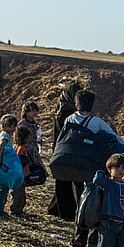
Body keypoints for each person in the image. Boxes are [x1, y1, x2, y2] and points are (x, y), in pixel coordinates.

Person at [65, 89, 124, 247]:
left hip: (73, 167)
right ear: (92, 105)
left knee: (80, 203)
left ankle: (79, 239)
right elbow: (114, 138)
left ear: (76, 103)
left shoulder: (69, 119)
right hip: (92, 168)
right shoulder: (96, 122)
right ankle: (93, 239)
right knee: (95, 204)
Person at [47, 81, 82, 220]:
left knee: (63, 181)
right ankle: (65, 211)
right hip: (66, 149)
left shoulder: (62, 106)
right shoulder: (68, 111)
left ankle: (57, 208)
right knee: (66, 182)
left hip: (60, 148)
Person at [0, 114, 18, 218]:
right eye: (9, 126)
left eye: (14, 126)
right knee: (2, 187)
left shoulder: (7, 135)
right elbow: (2, 146)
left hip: (5, 163)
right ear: (3, 126)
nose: (12, 129)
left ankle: (0, 209)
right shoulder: (5, 136)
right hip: (3, 164)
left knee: (4, 187)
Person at [18, 100, 45, 171]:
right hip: (25, 149)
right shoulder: (23, 123)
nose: (34, 112)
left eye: (36, 110)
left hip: (34, 149)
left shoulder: (36, 124)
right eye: (32, 110)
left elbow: (39, 136)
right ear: (26, 112)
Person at [12, 126, 31, 218]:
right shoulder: (21, 149)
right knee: (18, 194)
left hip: (19, 175)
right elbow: (21, 161)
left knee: (21, 193)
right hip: (20, 174)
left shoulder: (16, 147)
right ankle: (16, 211)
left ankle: (19, 210)